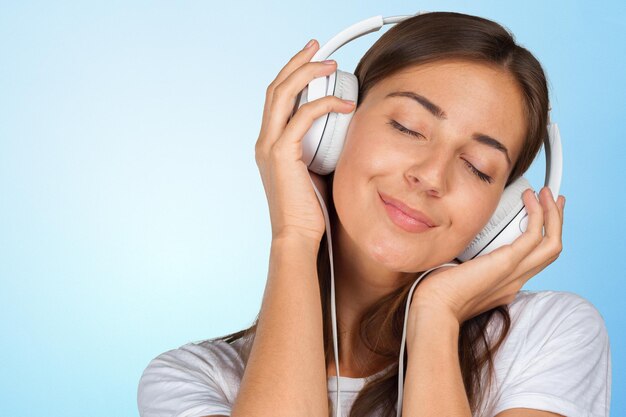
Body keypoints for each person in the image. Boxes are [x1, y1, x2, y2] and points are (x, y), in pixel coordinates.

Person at [136, 11, 611, 417]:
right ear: (331, 130)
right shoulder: (191, 379)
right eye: (408, 127)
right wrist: (294, 235)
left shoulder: (550, 335)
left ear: (502, 214)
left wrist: (436, 317)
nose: (431, 176)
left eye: (477, 167)